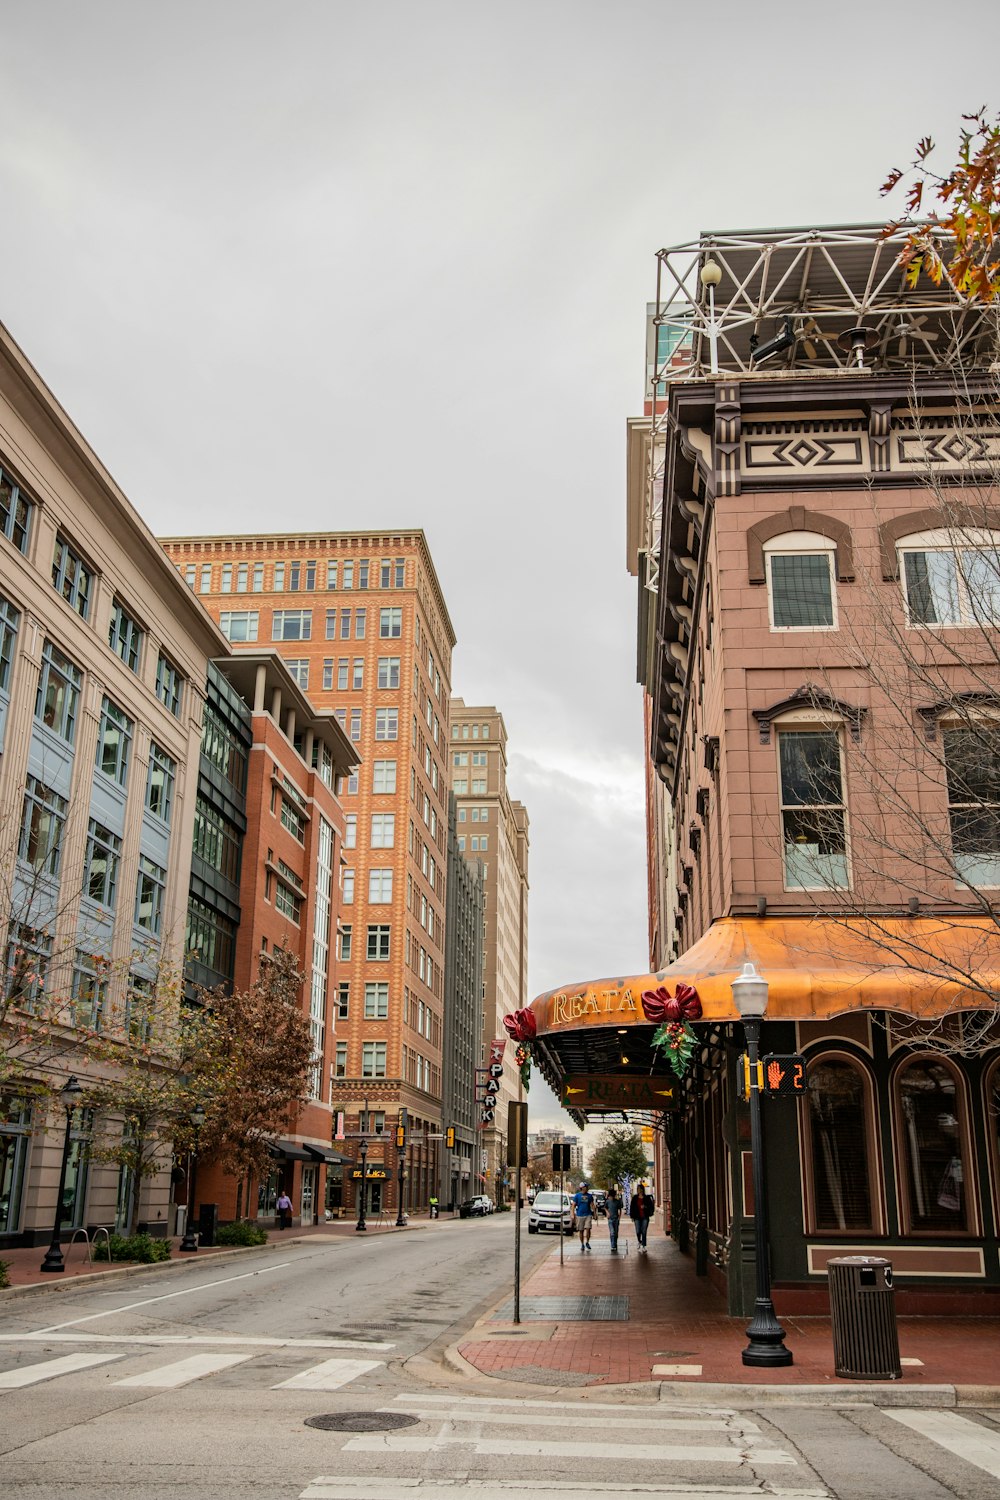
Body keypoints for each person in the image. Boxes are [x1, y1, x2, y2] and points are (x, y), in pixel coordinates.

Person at [629, 1182, 654, 1251]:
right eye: (638, 1189)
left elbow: (650, 1206)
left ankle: (643, 1245)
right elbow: (632, 1207)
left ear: (642, 1190)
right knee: (638, 1231)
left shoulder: (647, 1198)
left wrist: (645, 1207)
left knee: (644, 1231)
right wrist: (632, 1216)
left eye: (640, 1189)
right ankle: (639, 1241)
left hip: (645, 1217)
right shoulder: (635, 1198)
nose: (638, 1190)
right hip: (637, 1217)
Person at [572, 1182, 595, 1252]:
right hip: (580, 1215)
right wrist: (572, 1214)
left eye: (587, 1187)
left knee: (588, 1228)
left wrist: (595, 1213)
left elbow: (592, 1205)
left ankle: (587, 1241)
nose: (586, 1189)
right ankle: (582, 1244)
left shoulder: (590, 1196)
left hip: (588, 1214)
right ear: (582, 1188)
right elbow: (573, 1205)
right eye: (585, 1187)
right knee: (581, 1230)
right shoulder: (577, 1196)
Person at [605, 1186, 622, 1252]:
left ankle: (615, 1243)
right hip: (610, 1219)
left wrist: (619, 1217)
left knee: (616, 1233)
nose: (611, 1197)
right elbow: (605, 1208)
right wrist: (607, 1213)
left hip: (616, 1218)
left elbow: (620, 1209)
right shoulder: (608, 1202)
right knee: (612, 1232)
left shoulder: (617, 1202)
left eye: (612, 1196)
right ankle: (612, 1245)